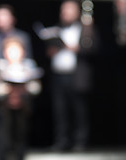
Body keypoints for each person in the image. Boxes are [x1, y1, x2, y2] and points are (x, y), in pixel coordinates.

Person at [46, 0, 99, 151]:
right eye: (63, 10)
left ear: (76, 12)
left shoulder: (86, 28)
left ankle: (80, 141)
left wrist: (77, 48)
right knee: (59, 110)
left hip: (76, 76)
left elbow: (94, 49)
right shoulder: (56, 29)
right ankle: (61, 141)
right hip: (58, 75)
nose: (65, 13)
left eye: (68, 10)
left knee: (79, 110)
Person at [0, 4, 33, 155]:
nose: (1, 20)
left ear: (12, 19)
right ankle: (0, 157)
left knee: (20, 127)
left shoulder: (22, 37)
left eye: (4, 16)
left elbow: (28, 64)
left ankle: (18, 158)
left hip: (20, 89)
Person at [0, 37, 43, 160]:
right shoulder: (0, 65)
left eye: (17, 50)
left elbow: (36, 87)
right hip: (4, 107)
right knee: (3, 137)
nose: (13, 54)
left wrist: (25, 88)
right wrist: (6, 89)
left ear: (23, 52)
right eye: (10, 50)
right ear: (4, 52)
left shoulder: (28, 65)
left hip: (22, 106)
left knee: (21, 136)